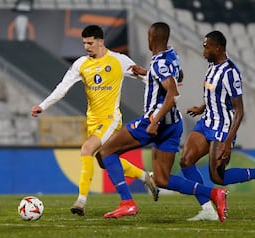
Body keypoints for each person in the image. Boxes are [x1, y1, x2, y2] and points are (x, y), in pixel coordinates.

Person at [96, 22, 228, 222]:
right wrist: (147, 75)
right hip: (174, 124)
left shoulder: (159, 62)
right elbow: (178, 77)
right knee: (162, 179)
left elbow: (173, 93)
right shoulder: (172, 56)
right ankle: (214, 194)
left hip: (155, 122)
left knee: (106, 153)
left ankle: (127, 202)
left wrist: (154, 121)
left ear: (152, 38)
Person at [31, 25, 159, 216]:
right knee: (103, 160)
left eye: (90, 43)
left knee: (86, 149)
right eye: (84, 43)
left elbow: (146, 79)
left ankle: (81, 201)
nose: (87, 47)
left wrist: (166, 83)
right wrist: (43, 105)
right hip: (93, 121)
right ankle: (145, 176)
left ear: (101, 41)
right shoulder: (81, 64)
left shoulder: (119, 60)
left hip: (111, 119)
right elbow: (62, 87)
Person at [179, 30, 255, 221]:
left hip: (222, 128)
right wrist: (203, 107)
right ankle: (208, 210)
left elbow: (239, 110)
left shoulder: (230, 73)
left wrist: (227, 141)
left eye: (207, 47)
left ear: (218, 48)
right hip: (206, 121)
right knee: (185, 161)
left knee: (218, 177)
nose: (204, 51)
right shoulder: (211, 66)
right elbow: (216, 94)